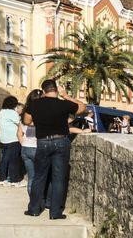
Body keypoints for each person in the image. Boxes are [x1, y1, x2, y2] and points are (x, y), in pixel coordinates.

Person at [24, 79, 87, 220]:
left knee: (39, 177)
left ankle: (34, 209)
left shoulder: (35, 104)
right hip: (61, 141)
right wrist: (66, 96)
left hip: (43, 142)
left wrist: (39, 121)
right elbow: (82, 107)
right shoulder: (63, 104)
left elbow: (27, 121)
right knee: (58, 178)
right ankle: (55, 213)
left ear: (44, 90)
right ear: (56, 90)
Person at [18, 89, 43, 195]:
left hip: (26, 148)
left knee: (31, 177)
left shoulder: (24, 115)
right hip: (37, 147)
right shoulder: (41, 115)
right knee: (41, 177)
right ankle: (40, 200)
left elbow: (19, 134)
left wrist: (23, 144)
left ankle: (32, 201)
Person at [0, 96, 24, 187]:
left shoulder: (1, 112)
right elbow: (20, 123)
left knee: (4, 160)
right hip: (13, 139)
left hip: (3, 140)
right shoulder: (12, 113)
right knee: (14, 161)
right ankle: (14, 180)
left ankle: (2, 179)